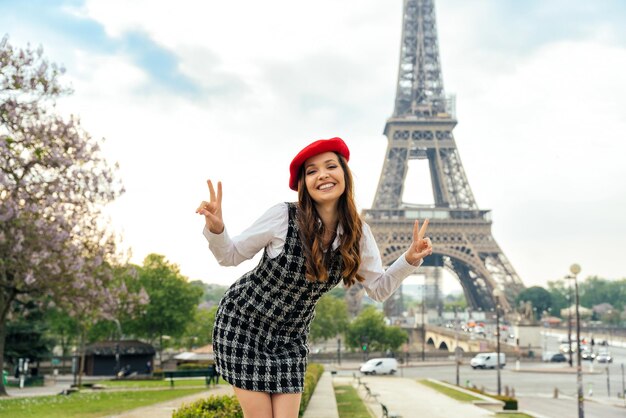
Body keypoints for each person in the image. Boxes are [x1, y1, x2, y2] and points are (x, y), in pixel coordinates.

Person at [197, 137, 433, 418]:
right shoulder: (283, 217)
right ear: (304, 185)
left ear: (344, 174)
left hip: (290, 338)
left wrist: (409, 259)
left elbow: (379, 289)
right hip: (244, 325)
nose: (322, 174)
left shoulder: (358, 234)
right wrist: (217, 228)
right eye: (311, 171)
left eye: (330, 166)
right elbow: (230, 256)